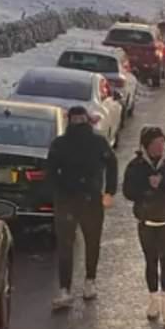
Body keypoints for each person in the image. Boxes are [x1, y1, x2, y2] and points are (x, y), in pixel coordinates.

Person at [45, 106, 118, 310]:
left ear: (86, 120)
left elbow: (112, 163)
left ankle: (89, 281)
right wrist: (57, 190)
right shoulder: (60, 144)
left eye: (81, 118)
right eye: (74, 118)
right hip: (68, 200)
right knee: (66, 246)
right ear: (70, 120)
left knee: (92, 242)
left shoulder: (97, 142)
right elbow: (50, 169)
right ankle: (65, 288)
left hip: (91, 200)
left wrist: (109, 190)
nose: (78, 122)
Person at [121, 126, 165, 326]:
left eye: (162, 142)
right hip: (146, 222)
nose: (159, 147)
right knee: (150, 262)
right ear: (146, 145)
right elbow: (127, 191)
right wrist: (146, 188)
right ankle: (153, 301)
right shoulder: (136, 166)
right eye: (155, 144)